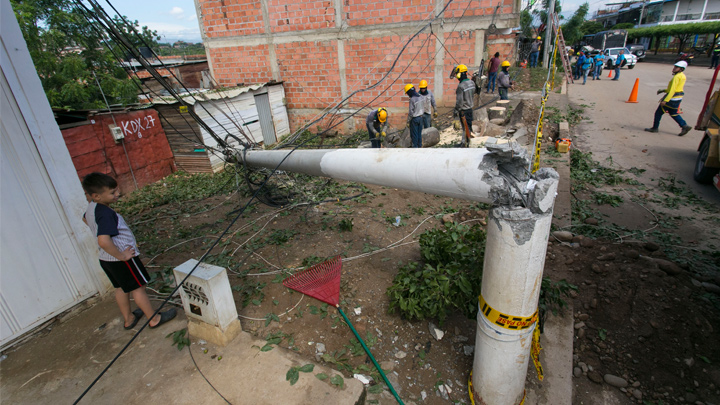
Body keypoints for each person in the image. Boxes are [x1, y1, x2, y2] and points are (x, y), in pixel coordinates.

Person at [82, 173, 177, 330]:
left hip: (106, 260)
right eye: (112, 193)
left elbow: (85, 218)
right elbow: (103, 241)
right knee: (139, 288)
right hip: (122, 259)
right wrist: (123, 256)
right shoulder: (105, 214)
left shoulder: (92, 208)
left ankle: (128, 318)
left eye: (116, 191)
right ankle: (154, 319)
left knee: (121, 288)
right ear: (96, 196)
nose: (117, 195)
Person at [644, 61, 692, 136]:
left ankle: (655, 128)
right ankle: (684, 126)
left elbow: (673, 90)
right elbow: (676, 88)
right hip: (678, 98)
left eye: (676, 67)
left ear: (681, 69)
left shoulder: (676, 77)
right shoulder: (682, 76)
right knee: (673, 113)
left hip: (672, 98)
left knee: (658, 113)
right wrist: (664, 90)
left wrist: (665, 100)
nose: (674, 68)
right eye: (674, 67)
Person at [454, 64, 475, 146]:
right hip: (470, 108)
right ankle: (467, 142)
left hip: (464, 111)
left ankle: (465, 144)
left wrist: (455, 112)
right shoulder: (472, 83)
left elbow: (459, 102)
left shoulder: (461, 86)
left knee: (465, 128)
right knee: (469, 126)